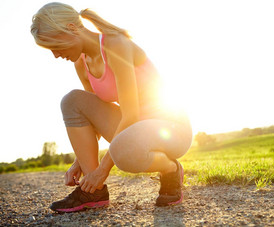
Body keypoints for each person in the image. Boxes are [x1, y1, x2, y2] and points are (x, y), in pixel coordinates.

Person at [31, 2, 192, 212]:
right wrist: (78, 163)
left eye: (54, 46)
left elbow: (131, 114)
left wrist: (102, 170)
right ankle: (93, 190)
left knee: (123, 151)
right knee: (72, 101)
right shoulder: (81, 62)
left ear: (71, 28)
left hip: (171, 128)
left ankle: (170, 169)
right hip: (134, 129)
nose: (55, 55)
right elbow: (89, 122)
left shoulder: (115, 45)